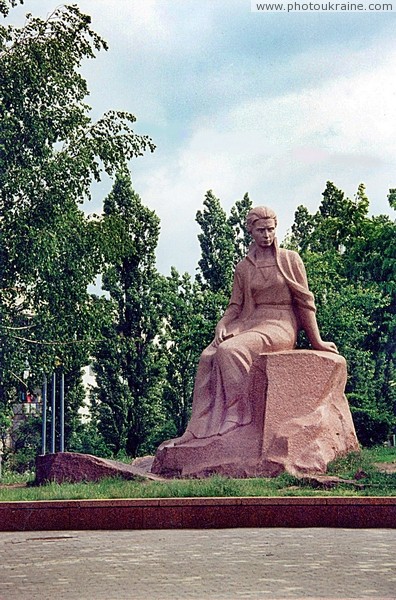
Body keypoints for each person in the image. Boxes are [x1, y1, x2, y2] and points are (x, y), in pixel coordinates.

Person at [164, 205, 338, 447]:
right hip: (250, 322)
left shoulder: (290, 259)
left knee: (230, 351)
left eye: (270, 230)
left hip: (280, 324)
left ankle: (238, 412)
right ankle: (199, 428)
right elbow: (235, 306)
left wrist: (316, 340)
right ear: (251, 232)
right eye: (261, 231)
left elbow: (305, 302)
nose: (266, 235)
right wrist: (222, 324)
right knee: (207, 357)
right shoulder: (244, 267)